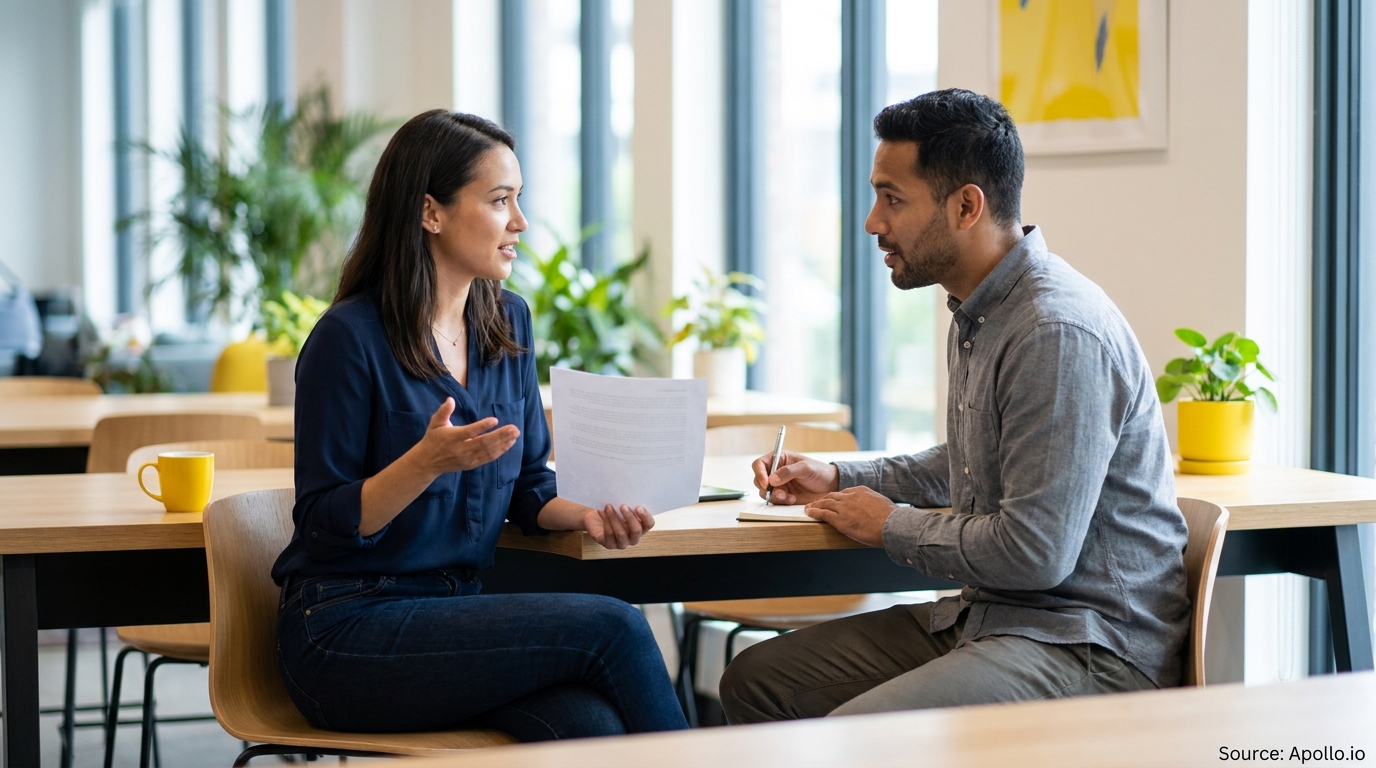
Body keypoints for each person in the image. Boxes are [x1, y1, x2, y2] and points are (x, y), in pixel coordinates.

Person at [719, 89, 1189, 722]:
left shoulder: (1055, 330)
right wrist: (837, 477)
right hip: (993, 619)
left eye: (892, 198)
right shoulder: (979, 311)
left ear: (967, 205)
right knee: (757, 679)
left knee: (853, 734)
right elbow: (971, 463)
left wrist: (888, 523)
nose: (871, 222)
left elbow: (1034, 551)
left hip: (1088, 647)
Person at [271, 110, 688, 742]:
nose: (519, 222)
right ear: (430, 212)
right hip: (345, 629)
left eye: (519, 200)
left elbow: (528, 488)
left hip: (453, 617)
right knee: (615, 625)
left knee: (588, 726)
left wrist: (587, 514)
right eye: (500, 201)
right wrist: (425, 463)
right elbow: (325, 523)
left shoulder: (508, 322)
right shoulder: (347, 339)